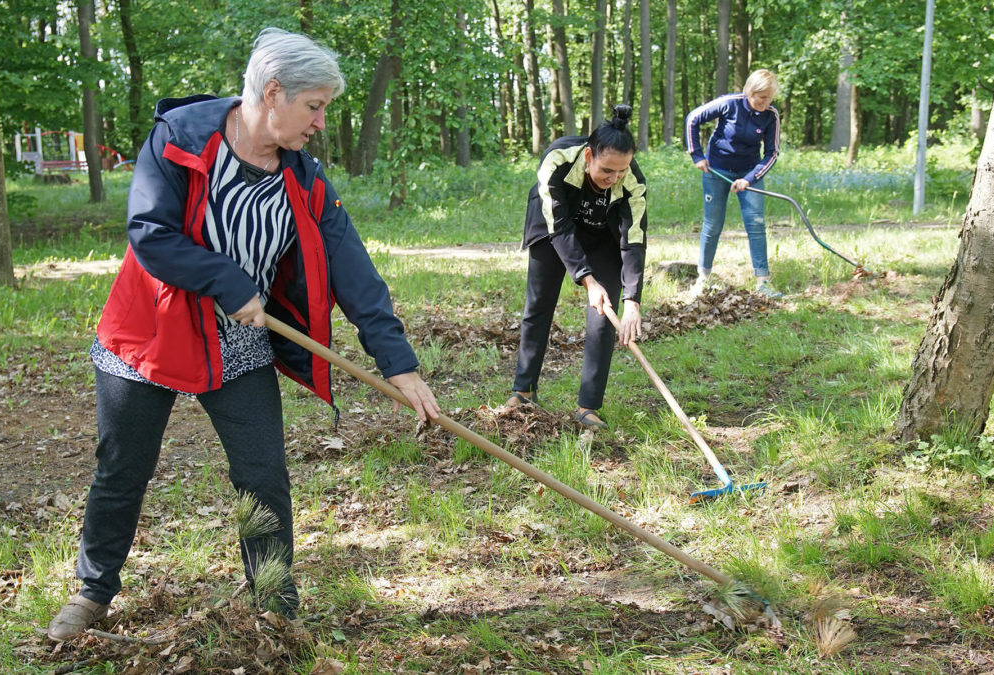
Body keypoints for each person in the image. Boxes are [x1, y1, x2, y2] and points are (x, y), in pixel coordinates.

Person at [46, 28, 439, 641]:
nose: (319, 124)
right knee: (123, 468)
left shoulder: (304, 181)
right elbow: (150, 231)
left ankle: (275, 609)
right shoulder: (180, 140)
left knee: (263, 475)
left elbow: (353, 271)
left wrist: (399, 364)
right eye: (314, 107)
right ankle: (92, 593)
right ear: (273, 93)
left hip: (238, 343)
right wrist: (229, 282)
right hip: (150, 333)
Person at [502, 104, 647, 430]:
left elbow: (634, 240)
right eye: (606, 171)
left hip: (603, 238)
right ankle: (523, 390)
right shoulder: (558, 159)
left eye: (621, 171)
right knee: (538, 305)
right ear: (588, 157)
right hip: (554, 228)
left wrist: (632, 299)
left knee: (602, 319)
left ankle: (588, 407)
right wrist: (587, 280)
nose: (614, 179)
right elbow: (560, 228)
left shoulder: (633, 182)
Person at [685, 69, 782, 298]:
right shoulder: (729, 104)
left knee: (756, 223)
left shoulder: (771, 115)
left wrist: (748, 180)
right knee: (713, 223)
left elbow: (772, 153)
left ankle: (763, 282)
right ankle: (703, 278)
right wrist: (697, 155)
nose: (763, 102)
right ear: (749, 91)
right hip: (716, 170)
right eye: (760, 96)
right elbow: (693, 119)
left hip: (750, 172)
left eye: (768, 97)